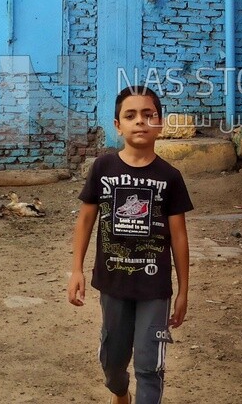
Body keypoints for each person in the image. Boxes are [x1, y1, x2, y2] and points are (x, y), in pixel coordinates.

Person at [67, 85, 193, 404]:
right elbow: (85, 221)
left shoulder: (170, 177)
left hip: (155, 286)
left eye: (148, 115)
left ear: (160, 124)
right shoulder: (103, 169)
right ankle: (119, 392)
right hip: (113, 282)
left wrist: (183, 291)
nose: (140, 121)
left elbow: (178, 236)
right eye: (131, 115)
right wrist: (76, 270)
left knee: (150, 367)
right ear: (117, 125)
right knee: (112, 360)